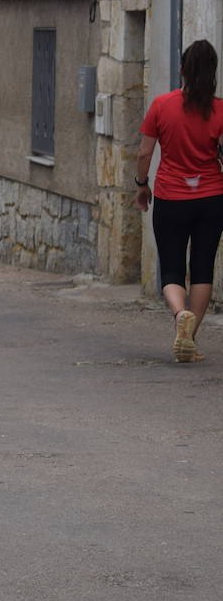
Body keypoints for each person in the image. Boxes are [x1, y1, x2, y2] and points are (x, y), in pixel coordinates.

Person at [133, 39, 223, 363]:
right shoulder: (220, 110)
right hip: (212, 198)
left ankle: (179, 315)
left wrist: (142, 186)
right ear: (212, 74)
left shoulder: (162, 105)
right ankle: (190, 340)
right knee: (202, 270)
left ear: (183, 70)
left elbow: (145, 152)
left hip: (171, 197)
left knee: (172, 269)